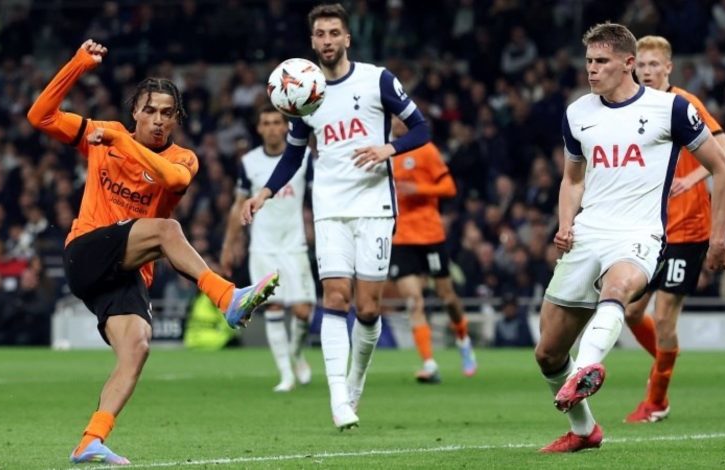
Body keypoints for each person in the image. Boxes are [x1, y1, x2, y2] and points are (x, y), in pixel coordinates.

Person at [27, 40, 279, 465]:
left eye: (167, 113)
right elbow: (40, 116)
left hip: (126, 271)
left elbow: (173, 180)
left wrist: (119, 140)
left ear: (177, 118)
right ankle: (226, 297)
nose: (158, 120)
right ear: (136, 113)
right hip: (87, 250)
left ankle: (91, 438)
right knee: (166, 229)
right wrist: (78, 65)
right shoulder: (102, 135)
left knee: (137, 346)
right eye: (150, 111)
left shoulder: (183, 157)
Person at [534, 23, 725, 453]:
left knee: (619, 289)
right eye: (588, 61)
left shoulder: (671, 109)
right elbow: (572, 180)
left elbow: (723, 167)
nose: (591, 69)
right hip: (588, 233)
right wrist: (566, 223)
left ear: (627, 63)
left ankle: (587, 369)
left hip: (640, 233)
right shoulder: (578, 113)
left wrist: (718, 239)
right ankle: (584, 431)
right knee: (547, 353)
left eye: (601, 61)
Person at [241, 3, 430, 430]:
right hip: (329, 209)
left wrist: (389, 148)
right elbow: (293, 155)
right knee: (335, 298)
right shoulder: (304, 93)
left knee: (368, 309)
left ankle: (355, 382)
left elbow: (422, 128)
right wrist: (264, 193)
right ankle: (338, 398)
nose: (327, 41)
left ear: (347, 38)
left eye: (333, 33)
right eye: (320, 34)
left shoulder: (377, 79)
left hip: (375, 206)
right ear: (312, 42)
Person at [623, 35, 725, 423]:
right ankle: (666, 359)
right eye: (641, 65)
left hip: (688, 230)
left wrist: (693, 178)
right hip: (651, 229)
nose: (647, 71)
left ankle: (657, 401)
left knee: (664, 316)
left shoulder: (684, 104)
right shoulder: (634, 107)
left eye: (654, 65)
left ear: (669, 67)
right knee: (631, 312)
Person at [221, 105, 316, 392]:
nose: (272, 128)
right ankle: (286, 375)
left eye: (277, 122)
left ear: (285, 127)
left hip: (295, 244)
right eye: (267, 123)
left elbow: (316, 196)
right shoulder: (249, 162)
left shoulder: (304, 156)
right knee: (273, 306)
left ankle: (297, 355)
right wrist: (229, 244)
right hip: (262, 247)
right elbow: (238, 204)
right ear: (259, 128)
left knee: (302, 311)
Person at [387, 116, 476, 383]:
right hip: (400, 237)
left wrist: (418, 189)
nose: (397, 122)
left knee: (447, 297)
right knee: (414, 301)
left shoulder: (425, 150)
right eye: (393, 117)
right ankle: (429, 363)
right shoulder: (384, 152)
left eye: (401, 117)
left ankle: (463, 338)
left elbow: (449, 187)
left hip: (429, 234)